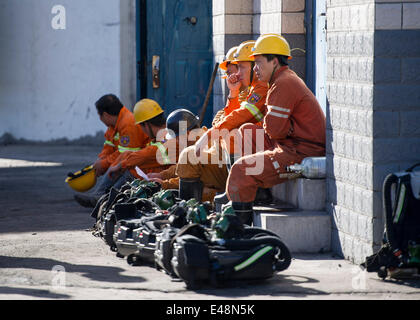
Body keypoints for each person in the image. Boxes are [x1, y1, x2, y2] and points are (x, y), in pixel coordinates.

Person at [224, 34, 326, 225]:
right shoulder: (283, 79)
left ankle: (241, 231)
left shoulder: (283, 83)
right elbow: (272, 128)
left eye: (259, 62)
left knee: (240, 170)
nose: (256, 69)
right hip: (293, 143)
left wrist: (286, 130)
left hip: (300, 151)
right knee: (247, 131)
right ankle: (260, 193)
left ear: (275, 62)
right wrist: (288, 129)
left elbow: (275, 130)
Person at [74, 94, 149, 208]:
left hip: (142, 166)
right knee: (115, 166)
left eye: (100, 116)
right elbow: (108, 147)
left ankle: (101, 198)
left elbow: (126, 154)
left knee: (121, 169)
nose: (100, 119)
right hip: (134, 161)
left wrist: (104, 164)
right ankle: (100, 197)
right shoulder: (113, 125)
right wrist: (101, 160)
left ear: (105, 115)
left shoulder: (128, 123)